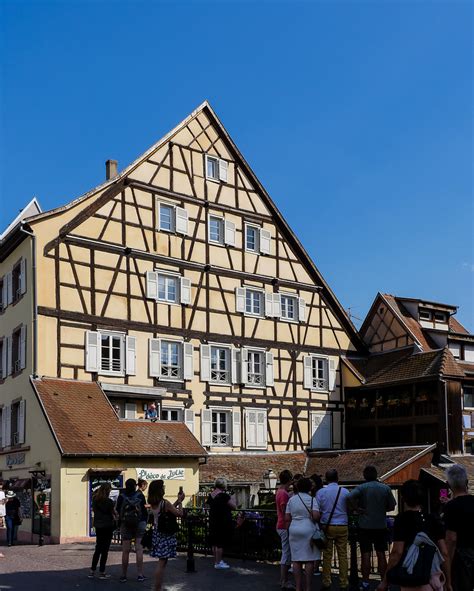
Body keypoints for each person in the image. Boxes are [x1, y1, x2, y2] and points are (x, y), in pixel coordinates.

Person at [377, 479, 450, 591]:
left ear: (404, 498)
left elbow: (397, 552)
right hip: (433, 575)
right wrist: (448, 582)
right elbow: (444, 552)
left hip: (410, 575)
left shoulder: (402, 519)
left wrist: (385, 580)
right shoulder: (433, 519)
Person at [347, 465, 397, 590]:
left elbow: (349, 496)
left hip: (364, 525)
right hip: (380, 525)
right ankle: (384, 582)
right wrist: (382, 508)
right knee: (381, 554)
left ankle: (365, 582)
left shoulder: (362, 488)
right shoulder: (385, 488)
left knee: (365, 554)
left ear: (364, 476)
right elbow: (392, 506)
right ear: (376, 475)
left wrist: (357, 509)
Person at [315, 469, 350, 591]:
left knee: (327, 555)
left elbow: (317, 509)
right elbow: (349, 507)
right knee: (343, 555)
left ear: (326, 479)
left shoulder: (321, 492)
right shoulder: (345, 492)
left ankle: (326, 582)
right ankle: (343, 582)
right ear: (337, 478)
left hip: (327, 526)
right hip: (342, 525)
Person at [285, 477, 320, 591]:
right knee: (309, 560)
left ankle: (298, 587)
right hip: (308, 528)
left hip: (294, 528)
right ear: (309, 487)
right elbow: (316, 516)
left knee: (296, 560)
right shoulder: (312, 499)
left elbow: (287, 517)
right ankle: (308, 587)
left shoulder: (292, 500)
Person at [148, 480, 184, 591]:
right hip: (166, 535)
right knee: (161, 563)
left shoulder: (154, 503)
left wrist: (177, 502)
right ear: (160, 490)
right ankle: (157, 588)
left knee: (162, 561)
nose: (164, 488)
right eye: (163, 487)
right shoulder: (164, 503)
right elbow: (179, 514)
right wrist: (181, 502)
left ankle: (158, 587)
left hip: (158, 533)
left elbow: (167, 509)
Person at [444, 464, 474, 591]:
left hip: (461, 558)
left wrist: (447, 571)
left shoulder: (451, 507)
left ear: (449, 485)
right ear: (467, 482)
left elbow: (451, 539)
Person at [116, 478, 147, 583]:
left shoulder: (121, 497)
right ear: (135, 486)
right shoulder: (140, 496)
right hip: (139, 523)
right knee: (139, 549)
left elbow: (117, 510)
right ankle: (140, 574)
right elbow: (143, 511)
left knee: (125, 551)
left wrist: (120, 522)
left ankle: (124, 575)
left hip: (125, 524)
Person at [88, 483, 117, 580]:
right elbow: (113, 513)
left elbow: (95, 511)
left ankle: (92, 571)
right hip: (108, 526)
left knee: (98, 548)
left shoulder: (95, 500)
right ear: (108, 490)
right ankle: (102, 571)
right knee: (105, 550)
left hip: (98, 526)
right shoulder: (109, 502)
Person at [206, 477, 236, 569]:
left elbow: (208, 506)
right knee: (220, 542)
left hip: (213, 520)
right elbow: (234, 506)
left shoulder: (211, 495)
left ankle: (216, 560)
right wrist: (233, 498)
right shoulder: (224, 496)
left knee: (214, 542)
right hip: (222, 521)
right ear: (224, 485)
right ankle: (218, 563)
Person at [276, 470, 294, 590]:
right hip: (284, 525)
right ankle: (284, 581)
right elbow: (284, 509)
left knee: (286, 552)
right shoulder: (283, 494)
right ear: (289, 480)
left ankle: (284, 580)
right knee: (286, 553)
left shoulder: (280, 491)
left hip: (281, 524)